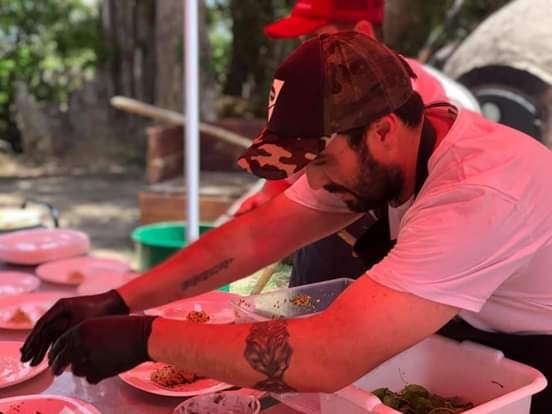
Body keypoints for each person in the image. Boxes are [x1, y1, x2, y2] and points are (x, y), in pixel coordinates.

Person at [21, 33, 552, 413]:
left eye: (322, 161)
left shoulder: (480, 192)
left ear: (384, 130)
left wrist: (147, 338)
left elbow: (329, 356)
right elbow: (257, 235)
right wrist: (118, 300)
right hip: (467, 337)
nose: (314, 183)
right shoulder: (395, 145)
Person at [235, 0, 450, 287]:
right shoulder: (315, 84)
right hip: (322, 244)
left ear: (362, 32)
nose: (306, 51)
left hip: (386, 250)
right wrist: (268, 197)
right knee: (304, 306)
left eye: (315, 38)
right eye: (302, 41)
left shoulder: (409, 92)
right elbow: (288, 157)